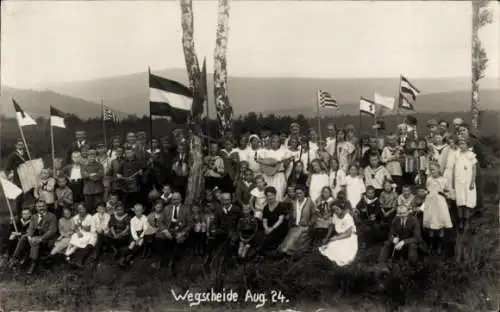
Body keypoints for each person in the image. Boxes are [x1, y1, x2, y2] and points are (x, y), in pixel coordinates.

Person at [9, 200, 58, 274]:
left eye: (43, 206)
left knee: (34, 240)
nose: (41, 208)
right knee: (24, 237)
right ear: (36, 208)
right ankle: (14, 258)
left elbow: (52, 231)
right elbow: (31, 228)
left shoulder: (51, 216)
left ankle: (33, 264)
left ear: (46, 207)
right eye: (39, 206)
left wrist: (41, 238)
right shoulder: (34, 217)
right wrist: (29, 236)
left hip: (47, 238)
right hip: (35, 237)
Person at [423, 163, 453, 254]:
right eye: (431, 170)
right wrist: (427, 193)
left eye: (434, 169)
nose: (432, 171)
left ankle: (440, 245)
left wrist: (443, 194)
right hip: (430, 202)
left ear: (439, 170)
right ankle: (432, 244)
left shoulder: (444, 180)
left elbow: (448, 192)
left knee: (440, 222)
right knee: (432, 223)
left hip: (440, 202)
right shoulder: (429, 179)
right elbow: (427, 189)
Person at [319, 199, 358, 266]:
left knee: (341, 252)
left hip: (349, 237)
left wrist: (336, 238)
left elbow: (348, 234)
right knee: (331, 247)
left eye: (337, 209)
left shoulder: (347, 217)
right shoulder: (335, 215)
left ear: (342, 209)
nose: (336, 211)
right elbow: (332, 226)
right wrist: (326, 237)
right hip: (340, 236)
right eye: (334, 210)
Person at [278, 186, 315, 256]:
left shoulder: (309, 202)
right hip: (294, 228)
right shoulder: (294, 203)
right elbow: (291, 216)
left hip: (305, 228)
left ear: (304, 193)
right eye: (297, 193)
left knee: (290, 248)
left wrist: (309, 224)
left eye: (300, 193)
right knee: (283, 248)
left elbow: (315, 215)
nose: (299, 195)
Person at [161, 193, 192, 273]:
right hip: (169, 230)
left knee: (178, 243)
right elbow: (160, 222)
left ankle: (174, 264)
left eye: (177, 199)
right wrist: (165, 231)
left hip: (180, 231)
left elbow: (190, 224)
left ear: (181, 199)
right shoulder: (166, 208)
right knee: (162, 242)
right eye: (173, 199)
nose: (175, 201)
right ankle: (164, 264)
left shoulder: (186, 209)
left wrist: (183, 233)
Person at [453, 138, 477, 232]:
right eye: (460, 144)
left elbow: (474, 169)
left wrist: (472, 181)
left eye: (463, 144)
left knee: (467, 202)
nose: (462, 146)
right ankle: (461, 221)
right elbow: (455, 168)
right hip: (459, 181)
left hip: (468, 181)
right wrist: (453, 182)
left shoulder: (471, 155)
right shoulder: (457, 154)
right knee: (460, 202)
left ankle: (466, 221)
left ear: (467, 145)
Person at [65, 203, 97, 268]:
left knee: (87, 242)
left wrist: (81, 225)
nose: (81, 210)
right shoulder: (76, 217)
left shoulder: (90, 217)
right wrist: (78, 232)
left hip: (90, 233)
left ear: (86, 209)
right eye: (79, 209)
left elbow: (89, 229)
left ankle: (79, 260)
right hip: (80, 232)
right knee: (75, 238)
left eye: (82, 209)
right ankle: (68, 255)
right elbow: (75, 227)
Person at [261, 187, 289, 253]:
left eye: (271, 195)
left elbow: (280, 220)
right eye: (268, 196)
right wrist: (266, 228)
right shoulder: (266, 208)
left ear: (275, 195)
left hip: (279, 228)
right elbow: (265, 220)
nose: (270, 197)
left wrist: (272, 229)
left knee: (269, 240)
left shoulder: (281, 205)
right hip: (269, 228)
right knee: (261, 238)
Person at [5, 140, 30, 214]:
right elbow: (7, 169)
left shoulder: (26, 154)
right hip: (18, 180)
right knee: (19, 199)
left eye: (22, 145)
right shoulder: (12, 156)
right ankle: (19, 215)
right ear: (16, 146)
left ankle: (27, 214)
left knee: (28, 198)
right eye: (19, 145)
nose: (21, 146)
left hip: (27, 179)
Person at [81, 149, 105, 214]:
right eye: (90, 156)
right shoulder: (84, 166)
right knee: (88, 207)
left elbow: (100, 175)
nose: (92, 157)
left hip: (97, 190)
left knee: (97, 207)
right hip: (87, 190)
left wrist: (89, 175)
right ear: (87, 156)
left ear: (96, 156)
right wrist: (93, 174)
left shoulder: (99, 165)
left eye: (93, 156)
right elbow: (83, 175)